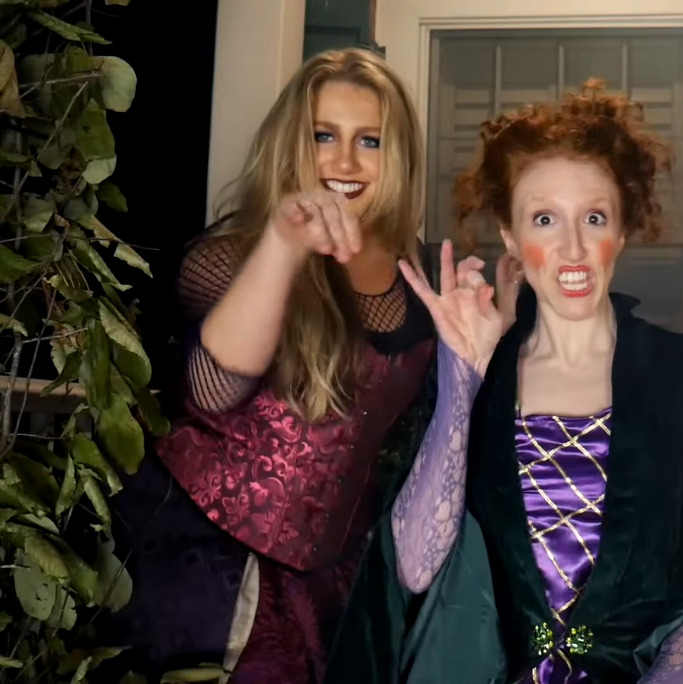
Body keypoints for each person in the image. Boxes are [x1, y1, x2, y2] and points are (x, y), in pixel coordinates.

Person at [327, 80, 683, 683]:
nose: (573, 248)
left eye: (594, 218)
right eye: (544, 219)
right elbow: (412, 570)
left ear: (622, 231)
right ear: (511, 237)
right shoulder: (477, 380)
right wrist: (461, 379)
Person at [102, 48, 515, 683]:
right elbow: (211, 391)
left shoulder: (425, 275)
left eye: (369, 140)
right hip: (201, 559)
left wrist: (482, 355)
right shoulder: (234, 255)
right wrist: (283, 244)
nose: (345, 162)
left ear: (398, 155)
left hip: (331, 580)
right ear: (292, 143)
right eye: (324, 136)